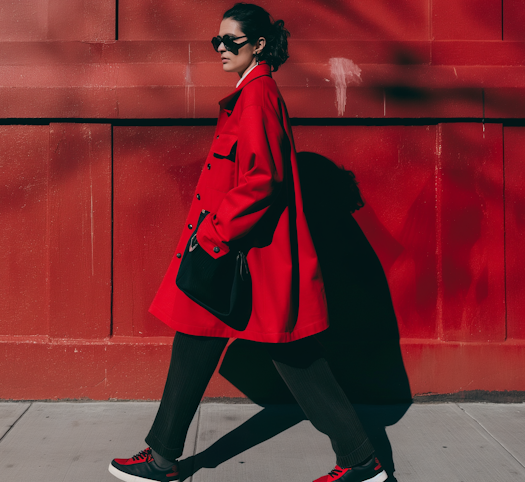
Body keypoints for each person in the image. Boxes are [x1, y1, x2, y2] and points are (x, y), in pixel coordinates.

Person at [108, 4, 387, 482]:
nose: (221, 49)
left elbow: (263, 180)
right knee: (195, 338)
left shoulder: (257, 96)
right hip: (238, 253)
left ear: (258, 45)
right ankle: (162, 458)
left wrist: (213, 233)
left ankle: (361, 460)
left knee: (294, 357)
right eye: (217, 41)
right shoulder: (250, 93)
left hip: (246, 253)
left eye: (231, 41)